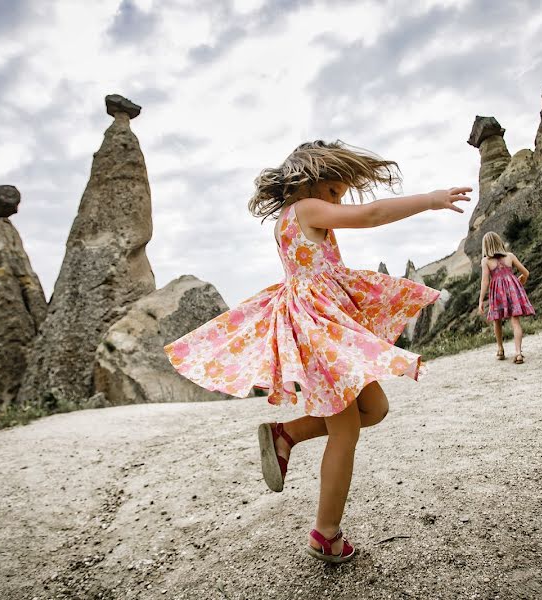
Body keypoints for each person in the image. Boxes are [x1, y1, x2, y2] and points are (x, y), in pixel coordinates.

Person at [164, 140, 471, 563]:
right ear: (312, 180)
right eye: (335, 193)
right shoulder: (306, 209)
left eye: (340, 197)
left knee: (375, 409)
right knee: (345, 432)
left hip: (322, 325)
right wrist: (430, 200)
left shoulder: (289, 219)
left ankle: (285, 434)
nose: (338, 202)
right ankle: (326, 535)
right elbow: (372, 214)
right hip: (317, 330)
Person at [476, 231, 534, 364]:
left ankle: (500, 349)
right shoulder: (510, 256)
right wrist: (521, 280)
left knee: (497, 321)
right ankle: (518, 353)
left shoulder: (486, 261)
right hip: (512, 289)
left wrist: (480, 301)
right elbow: (526, 272)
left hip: (497, 292)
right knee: (515, 322)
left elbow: (485, 281)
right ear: (499, 242)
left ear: (486, 246)